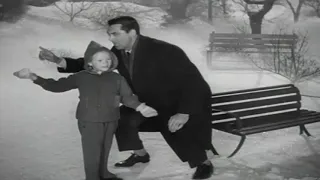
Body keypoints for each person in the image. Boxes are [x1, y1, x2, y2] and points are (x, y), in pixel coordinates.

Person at [38, 16, 214, 179]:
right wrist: (58, 60)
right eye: (109, 35)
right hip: (145, 103)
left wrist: (184, 112)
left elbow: (195, 84)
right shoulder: (119, 51)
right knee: (119, 117)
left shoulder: (165, 50)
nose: (111, 39)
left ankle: (203, 163)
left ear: (132, 32)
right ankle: (140, 155)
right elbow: (93, 61)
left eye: (115, 34)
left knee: (173, 126)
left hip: (175, 105)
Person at [13, 43, 158, 180]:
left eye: (108, 59)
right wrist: (33, 77)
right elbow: (56, 86)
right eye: (100, 59)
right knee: (92, 151)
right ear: (90, 62)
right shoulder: (81, 77)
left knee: (105, 147)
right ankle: (92, 177)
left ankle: (103, 173)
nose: (106, 62)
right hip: (89, 120)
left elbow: (127, 97)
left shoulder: (117, 78)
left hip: (111, 118)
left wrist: (141, 107)